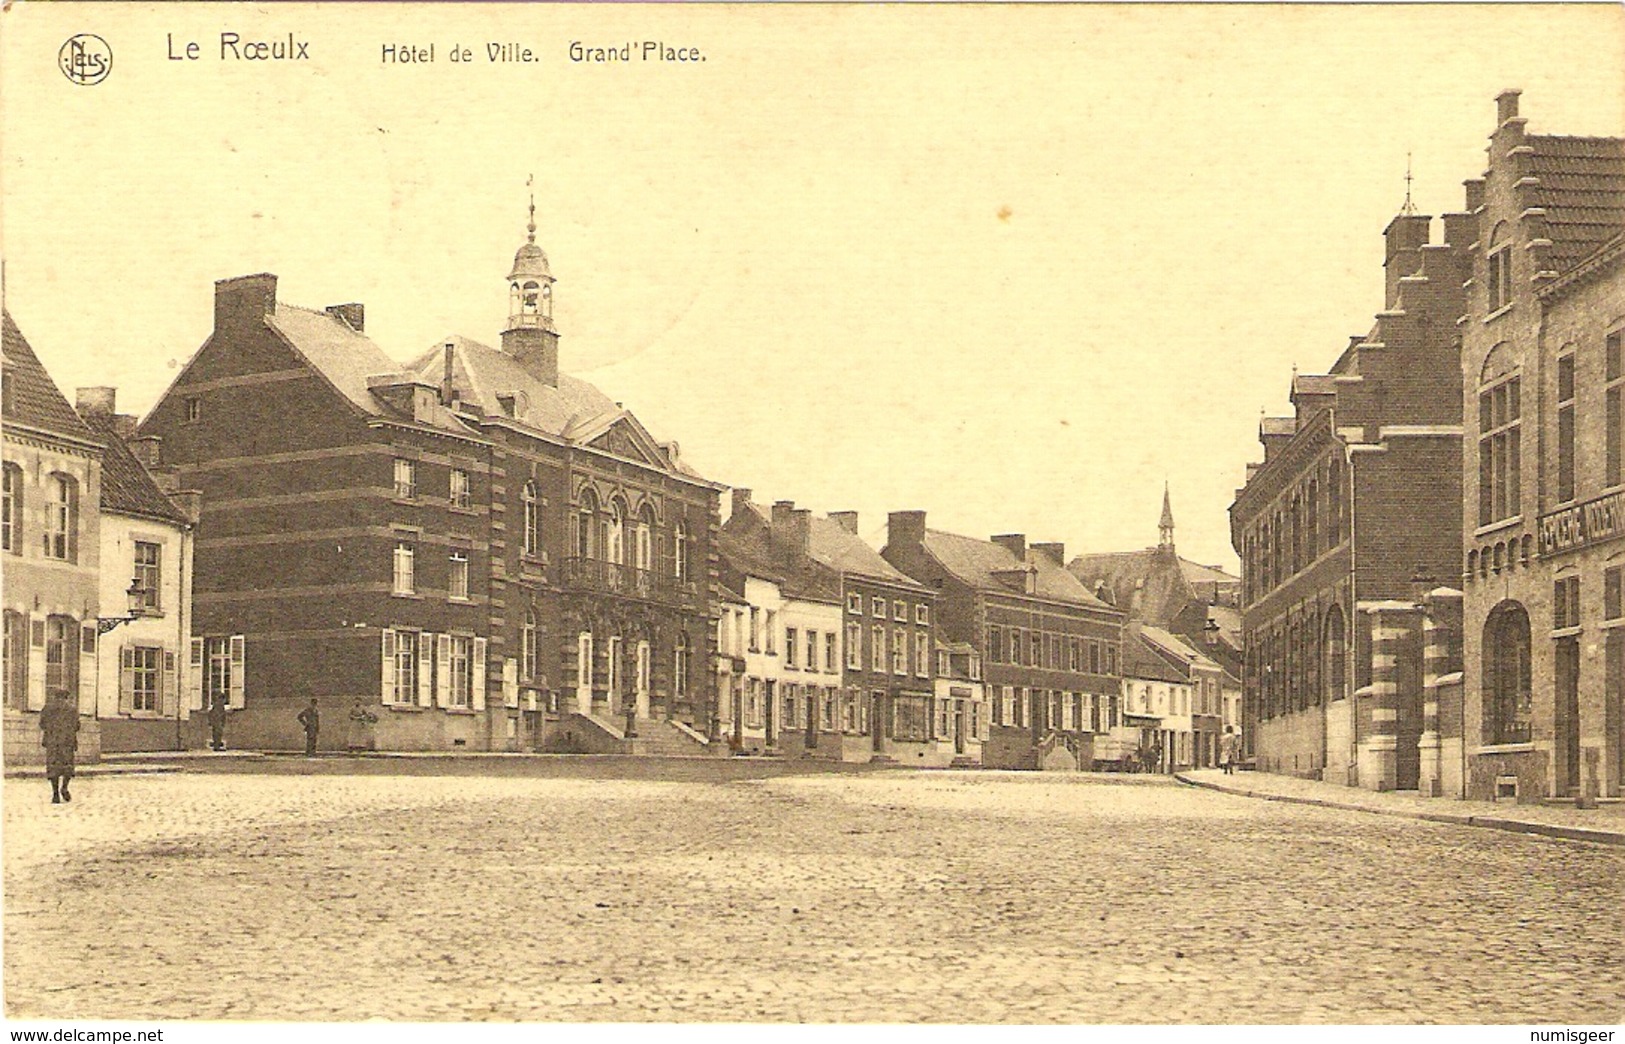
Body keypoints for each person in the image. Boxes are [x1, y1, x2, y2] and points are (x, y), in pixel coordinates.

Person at [40, 690, 80, 804]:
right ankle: (64, 787)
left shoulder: (47, 709)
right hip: (67, 742)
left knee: (53, 768)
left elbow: (42, 724)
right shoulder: (72, 709)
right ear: (66, 697)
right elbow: (77, 726)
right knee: (67, 766)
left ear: (54, 697)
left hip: (52, 743)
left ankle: (55, 794)